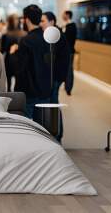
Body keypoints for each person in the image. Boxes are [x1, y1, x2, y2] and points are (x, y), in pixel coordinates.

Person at [10, 5, 51, 119]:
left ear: (26, 19)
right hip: (45, 91)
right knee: (42, 127)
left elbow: (19, 68)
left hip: (29, 92)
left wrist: (13, 53)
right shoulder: (48, 38)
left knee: (26, 126)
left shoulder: (26, 41)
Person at [40, 12, 70, 142]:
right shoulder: (52, 35)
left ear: (52, 22)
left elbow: (53, 59)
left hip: (55, 78)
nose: (41, 24)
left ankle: (57, 136)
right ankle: (56, 136)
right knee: (52, 104)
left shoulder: (55, 36)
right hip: (55, 77)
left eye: (43, 21)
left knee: (53, 105)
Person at [0, 14, 27, 91]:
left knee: (8, 81)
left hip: (9, 60)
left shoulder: (6, 35)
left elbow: (3, 50)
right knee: (19, 82)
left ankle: (9, 95)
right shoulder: (24, 34)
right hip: (20, 60)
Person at [62, 10, 77, 95]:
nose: (62, 16)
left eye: (63, 15)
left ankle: (68, 88)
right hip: (65, 52)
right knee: (67, 69)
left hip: (69, 51)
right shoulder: (66, 25)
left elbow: (69, 40)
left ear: (67, 15)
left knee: (69, 70)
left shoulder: (71, 26)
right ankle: (66, 86)